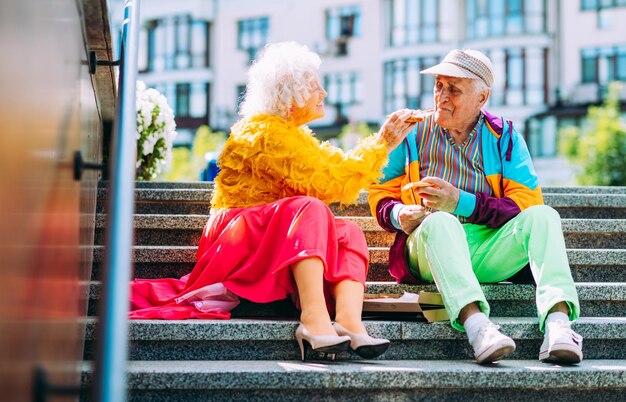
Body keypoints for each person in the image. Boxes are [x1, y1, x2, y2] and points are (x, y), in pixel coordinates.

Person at [130, 41, 418, 361]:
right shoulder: (263, 132)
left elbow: (337, 173)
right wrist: (381, 144)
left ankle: (350, 322)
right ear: (291, 93)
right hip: (237, 243)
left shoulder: (294, 136)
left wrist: (384, 144)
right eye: (315, 86)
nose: (323, 93)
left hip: (269, 237)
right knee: (310, 207)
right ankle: (313, 319)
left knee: (348, 230)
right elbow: (327, 183)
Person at [368, 49, 583, 365]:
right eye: (438, 85)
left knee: (544, 216)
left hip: (487, 249)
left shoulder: (504, 136)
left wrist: (460, 201)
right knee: (440, 221)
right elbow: (379, 193)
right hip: (429, 248)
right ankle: (479, 328)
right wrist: (401, 215)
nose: (441, 96)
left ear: (482, 98)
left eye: (453, 89)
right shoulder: (411, 132)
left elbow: (525, 205)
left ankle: (559, 325)